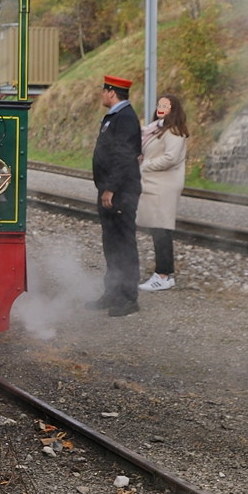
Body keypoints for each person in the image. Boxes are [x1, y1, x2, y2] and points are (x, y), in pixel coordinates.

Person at [86, 74, 143, 317]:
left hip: (121, 192)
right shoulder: (116, 117)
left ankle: (129, 298)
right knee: (111, 244)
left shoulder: (126, 117)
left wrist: (111, 187)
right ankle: (112, 292)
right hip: (110, 190)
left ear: (112, 92)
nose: (101, 95)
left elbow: (124, 156)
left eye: (104, 91)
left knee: (124, 244)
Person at [137, 94, 189, 292]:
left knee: (161, 229)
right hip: (156, 184)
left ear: (173, 109)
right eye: (159, 104)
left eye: (165, 105)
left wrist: (146, 165)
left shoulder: (174, 131)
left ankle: (164, 275)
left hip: (164, 186)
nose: (161, 107)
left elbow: (170, 158)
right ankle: (162, 273)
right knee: (157, 228)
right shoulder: (157, 129)